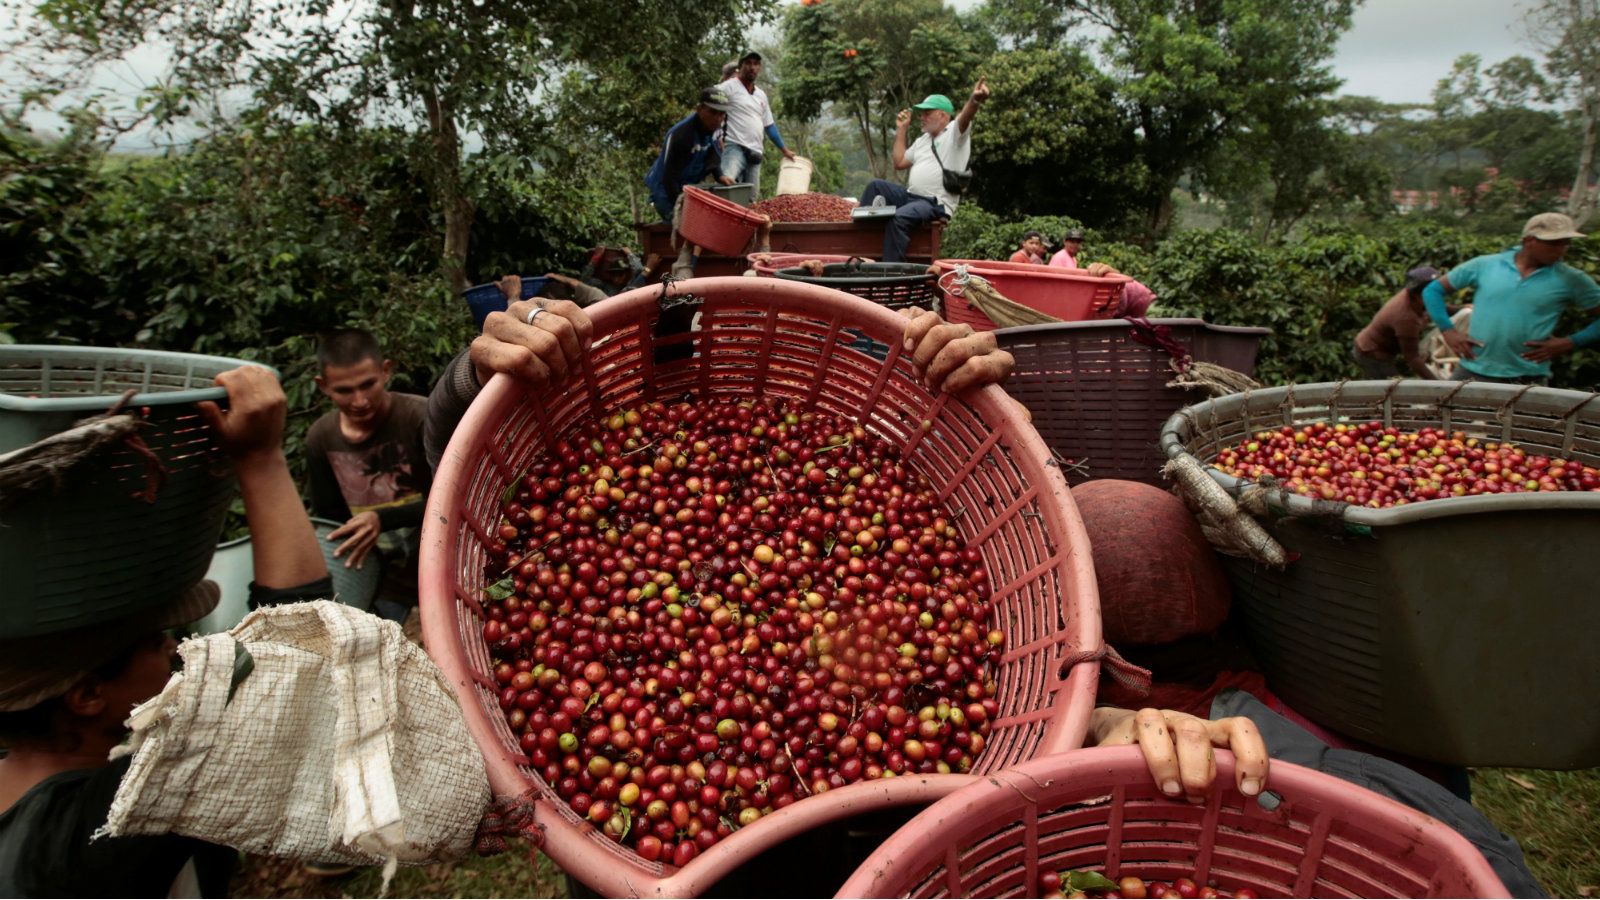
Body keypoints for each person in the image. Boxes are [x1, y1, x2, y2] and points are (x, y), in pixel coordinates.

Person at [0, 366, 329, 896]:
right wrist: (261, 461)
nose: (177, 650)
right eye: (158, 642)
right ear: (87, 695)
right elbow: (294, 656)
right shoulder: (110, 828)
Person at [306, 328, 431, 622]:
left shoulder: (420, 417)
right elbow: (329, 518)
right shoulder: (321, 438)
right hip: (380, 575)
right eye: (344, 390)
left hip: (438, 557)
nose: (360, 400)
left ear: (386, 371)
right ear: (323, 386)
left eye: (368, 385)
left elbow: (450, 499)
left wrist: (382, 519)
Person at [1424, 212, 1600, 385]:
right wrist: (1448, 331)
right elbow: (1433, 291)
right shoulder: (1485, 265)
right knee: (1444, 412)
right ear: (1529, 241)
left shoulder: (1571, 279)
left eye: (1566, 243)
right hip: (1473, 369)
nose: (1561, 250)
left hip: (1528, 377)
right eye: (1554, 243)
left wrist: (1570, 342)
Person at [858, 78, 990, 263]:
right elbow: (900, 162)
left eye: (927, 113)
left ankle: (889, 270)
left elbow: (965, 117)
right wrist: (901, 129)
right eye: (922, 113)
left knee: (898, 218)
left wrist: (975, 100)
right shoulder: (922, 140)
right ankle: (861, 249)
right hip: (911, 197)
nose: (922, 117)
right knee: (876, 186)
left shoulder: (954, 134)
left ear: (943, 116)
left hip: (934, 202)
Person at [644, 87, 736, 223]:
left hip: (687, 188)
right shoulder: (681, 135)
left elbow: (712, 154)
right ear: (700, 109)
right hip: (665, 189)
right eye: (713, 112)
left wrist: (720, 175)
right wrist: (680, 205)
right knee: (682, 227)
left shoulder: (716, 128)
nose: (718, 118)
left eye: (722, 114)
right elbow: (669, 177)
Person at [715, 51, 796, 194]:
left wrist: (784, 150)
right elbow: (710, 99)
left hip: (756, 152)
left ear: (759, 68)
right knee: (727, 187)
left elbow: (769, 125)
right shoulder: (729, 87)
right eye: (748, 63)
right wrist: (716, 136)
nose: (752, 67)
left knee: (751, 197)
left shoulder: (761, 95)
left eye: (756, 64)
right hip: (735, 146)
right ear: (740, 66)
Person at [1352, 266, 1442, 380]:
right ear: (1417, 295)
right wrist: (1439, 385)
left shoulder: (1416, 297)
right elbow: (1413, 359)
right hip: (1372, 353)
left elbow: (1437, 306)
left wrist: (1462, 309)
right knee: (1392, 390)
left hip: (1385, 350)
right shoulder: (1406, 317)